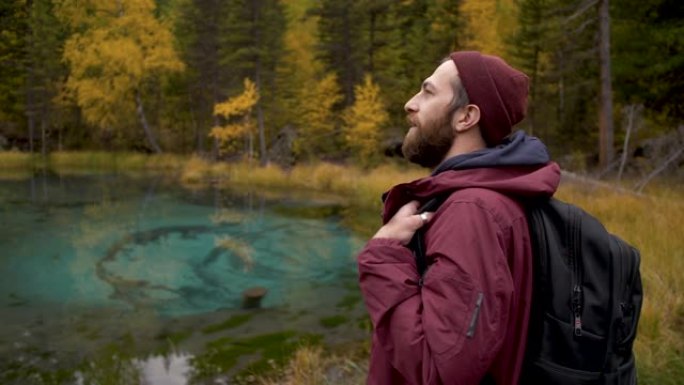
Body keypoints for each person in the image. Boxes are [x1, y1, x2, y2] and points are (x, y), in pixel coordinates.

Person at [356, 51, 561, 385]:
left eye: (428, 92)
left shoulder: (471, 212)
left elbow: (438, 370)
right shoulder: (488, 200)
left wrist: (382, 257)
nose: (410, 103)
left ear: (466, 117)